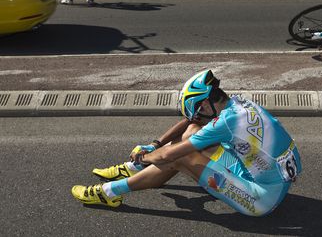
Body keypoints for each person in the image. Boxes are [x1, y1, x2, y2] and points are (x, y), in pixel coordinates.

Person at [71, 70, 302, 216]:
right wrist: (154, 145)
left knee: (178, 157)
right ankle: (136, 171)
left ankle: (108, 192)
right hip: (271, 177)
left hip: (261, 199)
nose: (196, 117)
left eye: (197, 111)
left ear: (205, 104)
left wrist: (143, 156)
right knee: (191, 133)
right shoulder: (239, 104)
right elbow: (191, 122)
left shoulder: (225, 123)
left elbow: (168, 155)